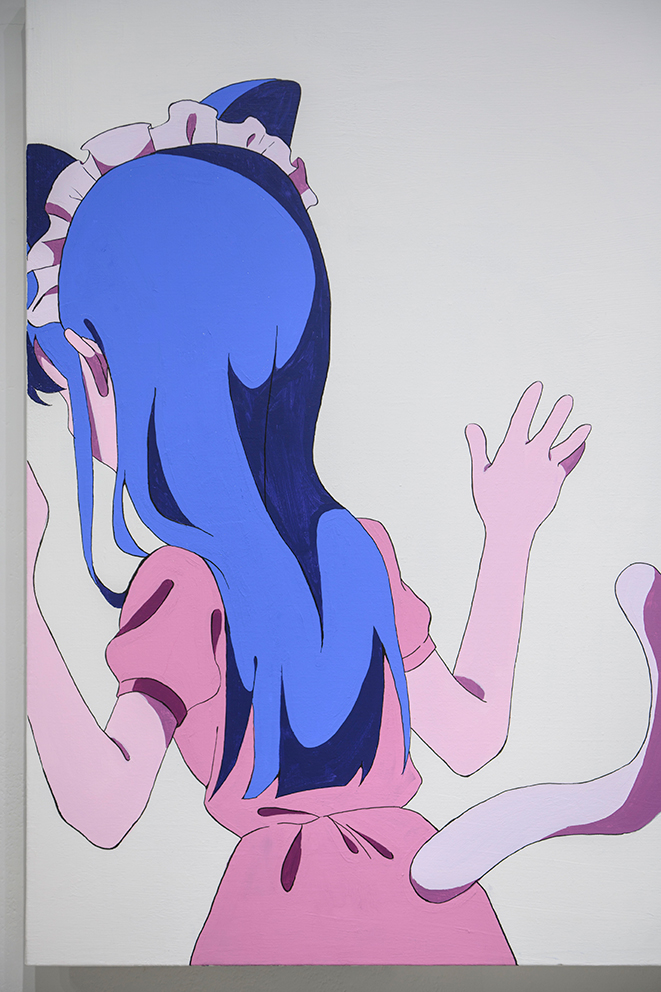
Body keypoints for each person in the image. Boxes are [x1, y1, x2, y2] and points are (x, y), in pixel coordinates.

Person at [26, 79, 661, 966]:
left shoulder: (184, 583)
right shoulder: (355, 549)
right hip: (433, 906)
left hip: (275, 927)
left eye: (78, 373)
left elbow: (101, 807)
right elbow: (473, 738)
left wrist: (19, 604)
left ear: (108, 367)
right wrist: (509, 533)